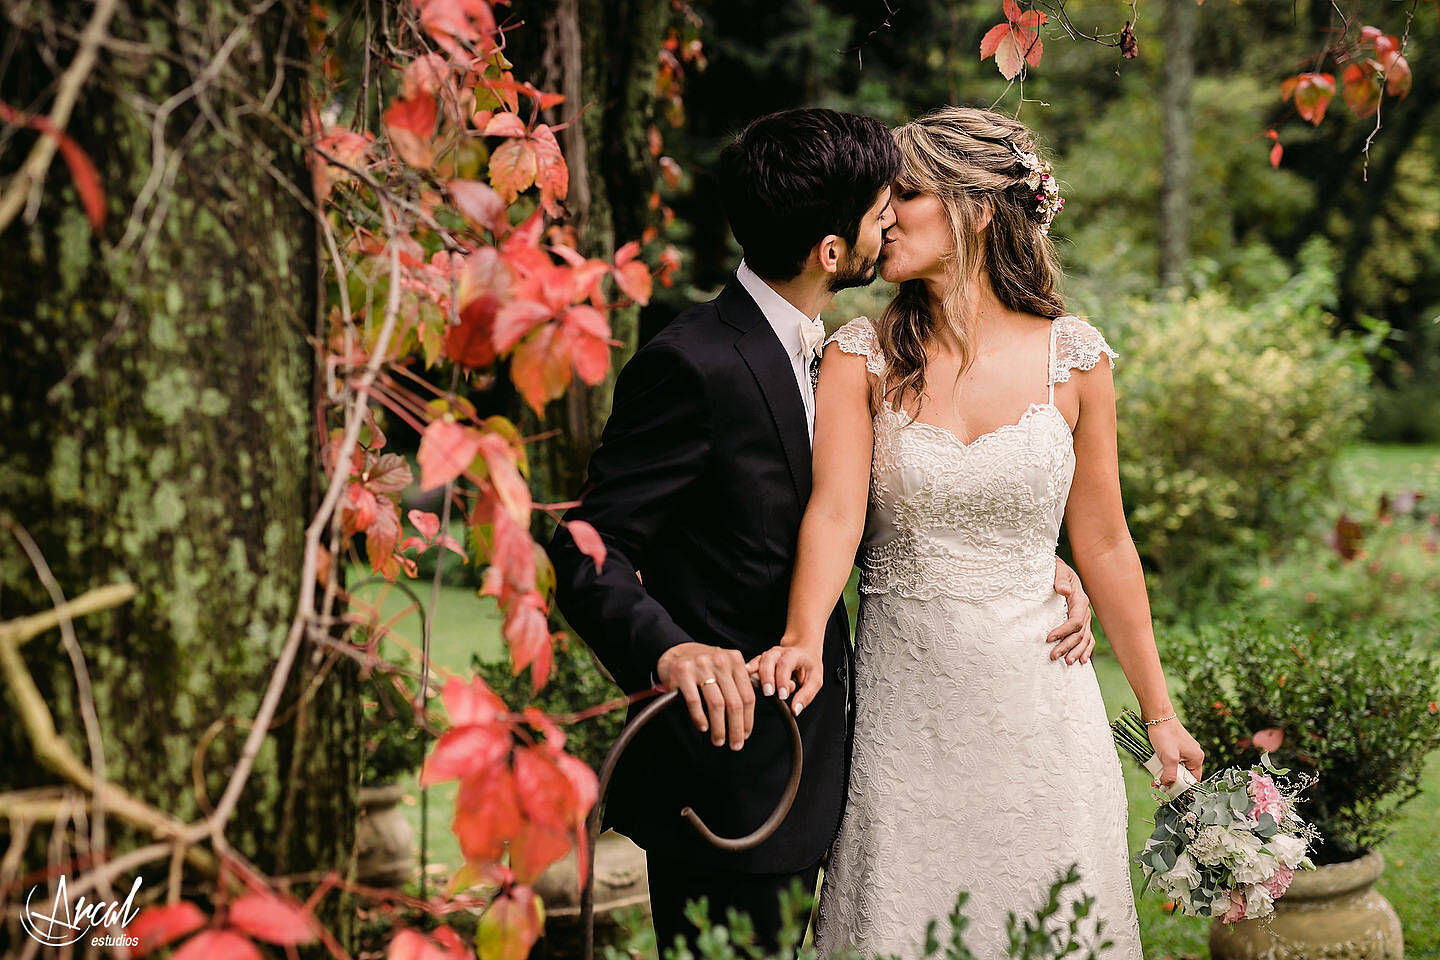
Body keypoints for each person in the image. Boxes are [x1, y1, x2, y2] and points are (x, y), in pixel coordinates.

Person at [548, 108, 1097, 955]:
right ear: (832, 252)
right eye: (884, 207)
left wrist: (1033, 562)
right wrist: (669, 653)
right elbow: (589, 551)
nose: (894, 220)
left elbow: (882, 503)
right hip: (730, 772)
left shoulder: (857, 353)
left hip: (860, 748)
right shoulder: (690, 361)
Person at [750, 106, 1206, 958]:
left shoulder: (1075, 359)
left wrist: (1161, 713)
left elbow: (1105, 542)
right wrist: (802, 634)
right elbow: (837, 512)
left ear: (978, 207)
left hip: (1043, 710)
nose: (885, 216)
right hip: (905, 713)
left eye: (907, 194)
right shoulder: (860, 355)